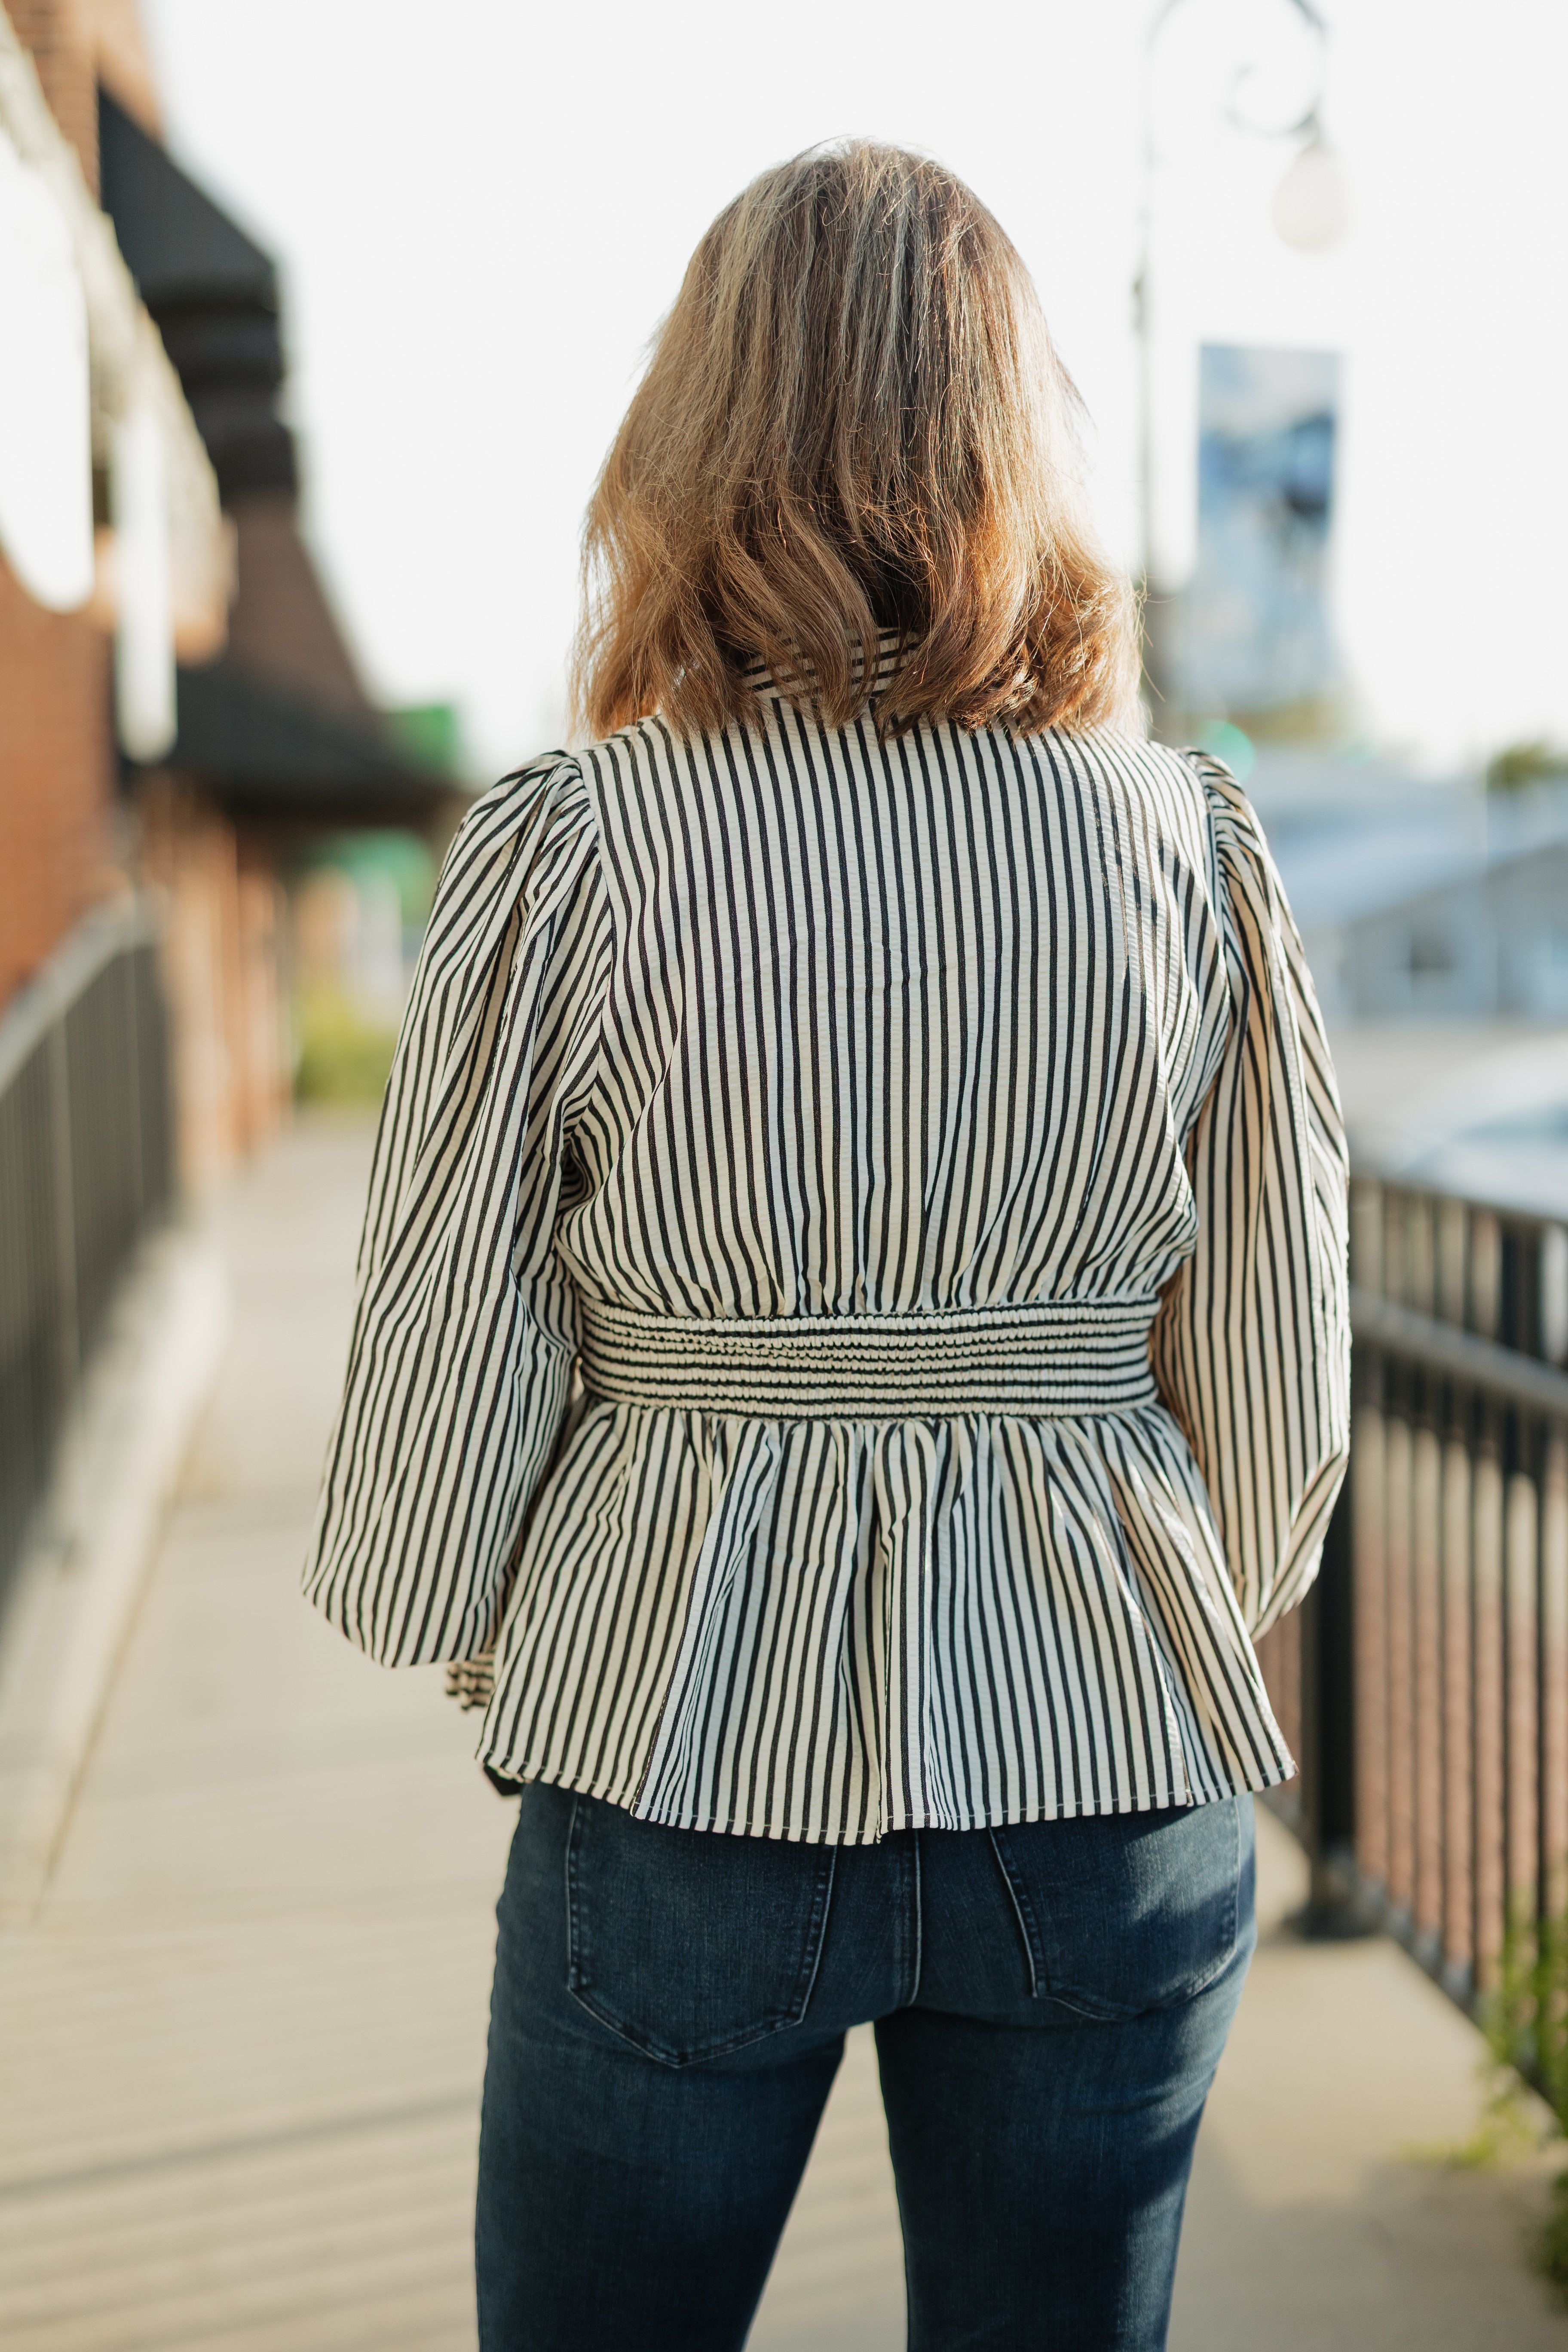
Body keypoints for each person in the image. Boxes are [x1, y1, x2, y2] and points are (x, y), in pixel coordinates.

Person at [303, 139, 1350, 2352]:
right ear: (1013, 440)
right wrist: (1139, 1566)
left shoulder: (577, 845)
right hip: (1104, 1738)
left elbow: (435, 1384)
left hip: (678, 1734)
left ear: (695, 439)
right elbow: (1278, 1383)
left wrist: (497, 1625)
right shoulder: (1190, 843)